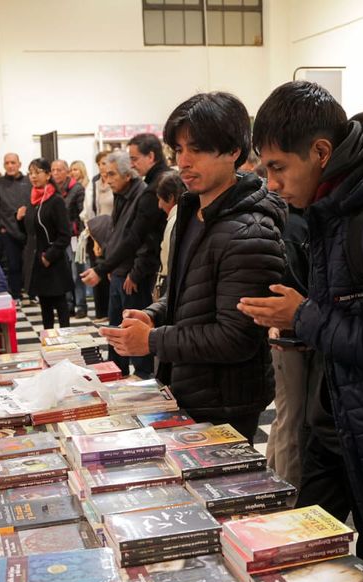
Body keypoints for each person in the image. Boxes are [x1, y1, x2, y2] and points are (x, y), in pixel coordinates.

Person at [239, 80, 363, 562]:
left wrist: (303, 316)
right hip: (338, 424)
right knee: (304, 563)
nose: (272, 184)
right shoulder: (333, 208)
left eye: (279, 168)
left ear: (322, 152)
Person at [102, 92, 284, 442]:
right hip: (189, 387)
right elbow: (187, 290)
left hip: (225, 399)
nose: (183, 162)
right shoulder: (195, 211)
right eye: (178, 150)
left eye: (196, 149)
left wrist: (152, 340)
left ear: (233, 151)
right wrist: (154, 313)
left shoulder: (250, 231)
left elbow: (236, 337)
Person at [81, 150, 162, 377]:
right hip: (117, 271)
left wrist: (135, 273)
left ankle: (145, 380)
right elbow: (117, 233)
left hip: (131, 276)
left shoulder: (142, 195)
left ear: (127, 175)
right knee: (114, 330)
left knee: (133, 332)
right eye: (105, 174)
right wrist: (109, 264)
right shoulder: (121, 193)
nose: (107, 181)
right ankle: (116, 374)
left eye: (112, 175)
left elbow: (144, 240)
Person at [20, 158, 74, 330]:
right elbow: (29, 232)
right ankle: (48, 342)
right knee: (45, 307)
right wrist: (19, 219)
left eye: (38, 172)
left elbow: (65, 235)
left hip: (53, 262)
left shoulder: (55, 200)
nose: (33, 177)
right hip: (37, 262)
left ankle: (67, 342)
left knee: (60, 305)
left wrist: (49, 256)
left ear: (48, 175)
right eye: (31, 173)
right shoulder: (32, 200)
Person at [0, 153, 32, 300]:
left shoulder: (29, 182)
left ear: (19, 164)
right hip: (8, 232)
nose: (10, 166)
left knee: (30, 264)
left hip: (29, 231)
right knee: (13, 266)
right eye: (7, 163)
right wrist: (0, 227)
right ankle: (16, 295)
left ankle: (32, 293)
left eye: (13, 162)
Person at [81, 150, 114, 320]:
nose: (103, 166)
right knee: (97, 269)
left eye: (106, 162)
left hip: (114, 232)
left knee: (111, 271)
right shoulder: (94, 185)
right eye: (100, 163)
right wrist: (95, 239)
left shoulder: (116, 183)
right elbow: (90, 212)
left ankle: (112, 311)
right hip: (97, 232)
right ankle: (101, 311)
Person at [154, 172, 186, 299]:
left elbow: (168, 261)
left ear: (171, 197)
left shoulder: (174, 221)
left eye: (160, 199)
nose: (159, 205)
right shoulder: (182, 217)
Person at [69, 160, 92, 316]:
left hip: (80, 235)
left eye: (76, 169)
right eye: (71, 170)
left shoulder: (85, 188)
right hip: (71, 237)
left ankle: (81, 303)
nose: (73, 172)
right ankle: (72, 302)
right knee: (72, 271)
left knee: (78, 270)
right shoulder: (68, 189)